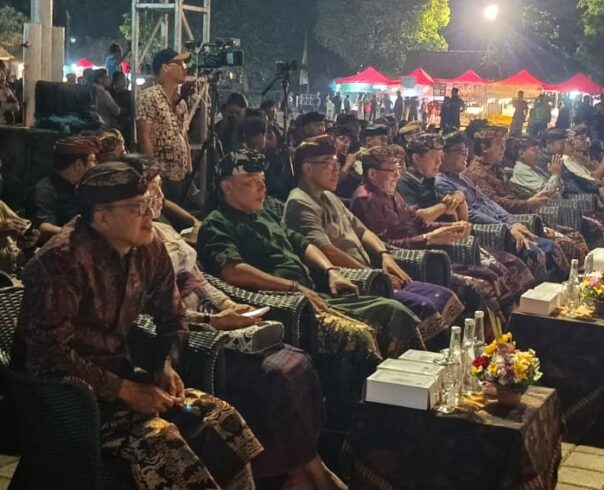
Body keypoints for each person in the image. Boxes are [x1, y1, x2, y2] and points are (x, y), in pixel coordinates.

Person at [11, 162, 261, 488]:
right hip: (63, 401)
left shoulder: (148, 246)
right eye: (137, 208)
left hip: (123, 381)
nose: (150, 215)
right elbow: (46, 355)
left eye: (149, 204)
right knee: (162, 441)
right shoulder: (63, 260)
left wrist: (165, 364)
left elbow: (172, 316)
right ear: (102, 217)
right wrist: (125, 390)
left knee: (220, 418)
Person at [125, 161, 343, 489]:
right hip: (192, 338)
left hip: (206, 318)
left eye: (159, 189)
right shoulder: (131, 245)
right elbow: (149, 315)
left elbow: (200, 281)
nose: (157, 197)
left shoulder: (162, 233)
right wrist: (212, 320)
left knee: (297, 362)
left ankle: (303, 467)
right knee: (274, 374)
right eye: (148, 192)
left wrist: (229, 305)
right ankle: (305, 472)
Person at [196, 150, 424, 417]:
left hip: (315, 292)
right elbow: (232, 271)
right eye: (251, 183)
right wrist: (292, 287)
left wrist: (331, 270)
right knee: (358, 336)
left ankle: (413, 401)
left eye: (263, 182)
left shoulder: (265, 213)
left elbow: (303, 244)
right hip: (287, 307)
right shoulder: (217, 223)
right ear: (227, 187)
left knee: (394, 311)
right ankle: (362, 420)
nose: (261, 189)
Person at [284, 135, 464, 342]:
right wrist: (371, 273)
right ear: (307, 168)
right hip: (353, 282)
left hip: (372, 271)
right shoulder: (300, 203)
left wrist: (384, 255)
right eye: (328, 164)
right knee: (425, 306)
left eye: (337, 164)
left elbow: (363, 232)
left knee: (444, 295)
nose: (336, 170)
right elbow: (325, 250)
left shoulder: (329, 196)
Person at [349, 140, 530, 336]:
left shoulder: (390, 193)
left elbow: (416, 221)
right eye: (391, 171)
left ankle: (512, 332)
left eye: (398, 170)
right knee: (479, 287)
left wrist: (448, 228)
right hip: (414, 262)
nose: (397, 176)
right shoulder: (366, 199)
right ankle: (483, 340)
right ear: (372, 174)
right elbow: (385, 244)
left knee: (496, 272)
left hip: (431, 252)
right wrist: (428, 238)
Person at [462, 123, 569, 279]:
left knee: (556, 246)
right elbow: (494, 203)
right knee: (548, 249)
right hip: (499, 229)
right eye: (499, 145)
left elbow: (507, 197)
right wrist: (526, 205)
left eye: (504, 145)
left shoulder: (495, 169)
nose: (503, 149)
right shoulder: (475, 173)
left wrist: (525, 206)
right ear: (484, 148)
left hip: (515, 218)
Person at [136, 48, 193, 203]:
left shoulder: (180, 102)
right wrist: (152, 173)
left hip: (179, 174)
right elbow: (143, 137)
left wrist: (189, 170)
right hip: (160, 174)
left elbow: (184, 136)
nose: (184, 68)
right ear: (165, 67)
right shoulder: (149, 97)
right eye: (180, 63)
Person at [28, 137, 98, 240]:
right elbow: (42, 227)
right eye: (92, 161)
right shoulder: (44, 191)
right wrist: (81, 236)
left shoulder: (81, 187)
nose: (95, 166)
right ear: (78, 164)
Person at [110, 71, 132, 146]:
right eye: (121, 79)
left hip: (126, 125)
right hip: (113, 125)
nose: (124, 82)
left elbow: (129, 110)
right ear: (115, 81)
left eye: (124, 79)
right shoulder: (110, 93)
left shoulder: (129, 94)